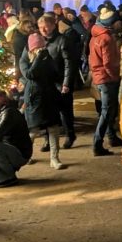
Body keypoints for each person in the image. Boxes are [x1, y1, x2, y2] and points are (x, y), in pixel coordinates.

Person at [21, 33, 65, 170]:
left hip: (49, 96)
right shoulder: (26, 59)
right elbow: (30, 75)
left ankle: (54, 158)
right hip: (34, 98)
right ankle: (25, 156)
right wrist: (39, 58)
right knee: (33, 130)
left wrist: (46, 58)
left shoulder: (47, 58)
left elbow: (56, 74)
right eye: (38, 48)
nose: (41, 50)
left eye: (42, 47)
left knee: (53, 128)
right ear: (32, 49)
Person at [0, 90, 34, 188]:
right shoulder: (0, 111)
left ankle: (6, 178)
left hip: (20, 153)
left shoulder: (9, 112)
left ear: (1, 99)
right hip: (11, 149)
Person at [90, 9, 122, 156]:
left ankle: (111, 137)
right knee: (107, 111)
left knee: (107, 110)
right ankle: (97, 143)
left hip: (98, 76)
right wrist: (115, 76)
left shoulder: (95, 36)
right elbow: (108, 63)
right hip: (106, 78)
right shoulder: (107, 39)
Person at [56, 17, 83, 148]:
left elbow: (69, 63)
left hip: (62, 79)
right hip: (53, 79)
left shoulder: (65, 39)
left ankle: (69, 134)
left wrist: (66, 82)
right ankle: (49, 138)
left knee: (65, 109)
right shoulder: (47, 40)